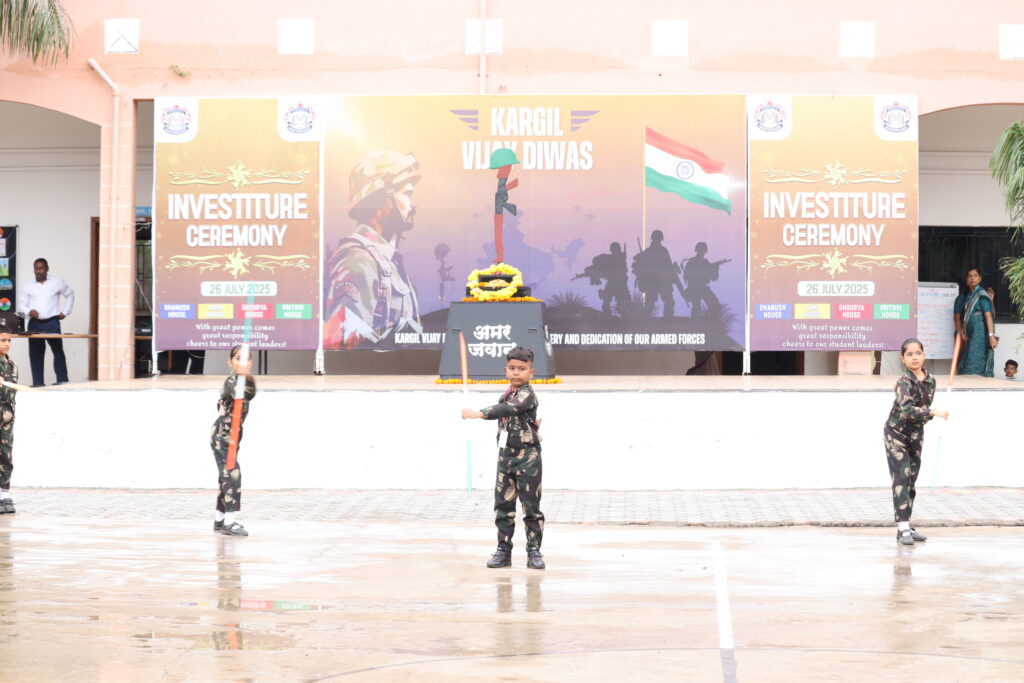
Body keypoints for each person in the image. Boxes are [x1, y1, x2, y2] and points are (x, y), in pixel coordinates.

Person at [323, 150, 421, 348]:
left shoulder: (384, 260)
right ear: (379, 199)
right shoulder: (359, 261)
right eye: (406, 194)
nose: (412, 205)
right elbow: (344, 347)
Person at [462, 346, 545, 570]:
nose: (516, 372)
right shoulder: (506, 395)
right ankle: (503, 551)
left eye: (522, 369)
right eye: (512, 368)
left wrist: (478, 413)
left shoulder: (527, 395)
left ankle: (534, 551)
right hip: (505, 457)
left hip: (527, 458)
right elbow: (506, 409)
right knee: (503, 507)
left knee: (531, 508)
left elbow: (508, 409)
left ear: (531, 372)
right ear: (505, 370)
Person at [883, 338, 949, 546]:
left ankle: (906, 524)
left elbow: (922, 410)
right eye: (909, 354)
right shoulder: (903, 382)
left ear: (924, 355)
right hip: (896, 434)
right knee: (901, 478)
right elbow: (908, 410)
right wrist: (933, 412)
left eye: (918, 353)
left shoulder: (931, 381)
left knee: (911, 479)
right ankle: (902, 526)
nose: (914, 357)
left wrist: (929, 414)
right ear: (902, 359)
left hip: (916, 435)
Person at [211, 345, 256, 537]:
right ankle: (229, 522)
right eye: (238, 358)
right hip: (223, 435)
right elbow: (230, 392)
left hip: (234, 435)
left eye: (246, 359)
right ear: (230, 362)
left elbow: (250, 394)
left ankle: (220, 519)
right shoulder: (232, 381)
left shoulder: (243, 381)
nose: (242, 362)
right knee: (232, 475)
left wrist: (247, 376)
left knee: (226, 476)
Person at [16, 258, 74, 386]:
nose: (39, 271)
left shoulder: (57, 282)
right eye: (36, 268)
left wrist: (65, 312)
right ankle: (38, 384)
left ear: (47, 268)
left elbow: (70, 294)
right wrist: (29, 311)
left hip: (52, 323)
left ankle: (62, 381)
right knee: (35, 354)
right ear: (34, 270)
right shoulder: (28, 286)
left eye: (41, 268)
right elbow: (21, 304)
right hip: (34, 323)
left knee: (58, 351)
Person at [952, 267, 997, 377]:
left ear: (980, 278)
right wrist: (961, 333)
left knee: (976, 362)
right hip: (967, 335)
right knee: (965, 361)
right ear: (966, 279)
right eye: (970, 276)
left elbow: (988, 316)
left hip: (979, 336)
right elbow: (957, 317)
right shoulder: (967, 296)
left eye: (975, 275)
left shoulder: (981, 296)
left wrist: (991, 335)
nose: (972, 278)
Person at [0, 332, 17, 514]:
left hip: (6, 417)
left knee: (6, 455)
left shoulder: (12, 366)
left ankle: (4, 496)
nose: (7, 344)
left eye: (9, 340)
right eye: (3, 340)